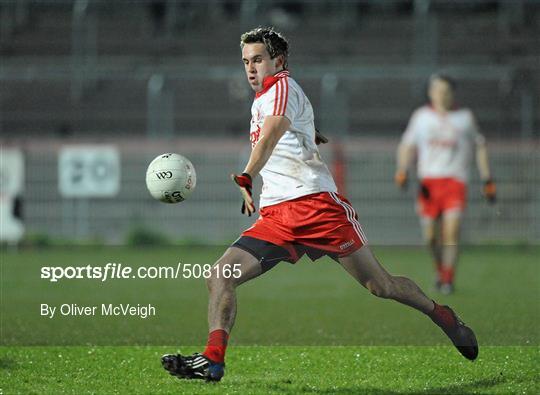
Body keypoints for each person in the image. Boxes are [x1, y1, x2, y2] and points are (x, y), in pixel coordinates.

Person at [162, 28, 479, 383]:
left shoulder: (281, 87)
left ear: (278, 62)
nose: (250, 69)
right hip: (277, 216)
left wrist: (247, 174)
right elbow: (285, 129)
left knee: (381, 286)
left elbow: (272, 133)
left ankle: (443, 316)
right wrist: (308, 132)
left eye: (257, 60)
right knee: (221, 275)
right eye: (245, 62)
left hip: (317, 208)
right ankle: (213, 360)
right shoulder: (266, 97)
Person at [395, 74, 496, 295]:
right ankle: (440, 270)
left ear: (453, 93)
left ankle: (448, 278)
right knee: (430, 237)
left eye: (446, 91)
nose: (441, 95)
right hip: (428, 183)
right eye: (437, 90)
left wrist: (487, 178)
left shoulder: (465, 117)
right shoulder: (421, 117)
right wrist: (402, 170)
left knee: (451, 233)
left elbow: (480, 146)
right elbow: (406, 146)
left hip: (455, 181)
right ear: (431, 93)